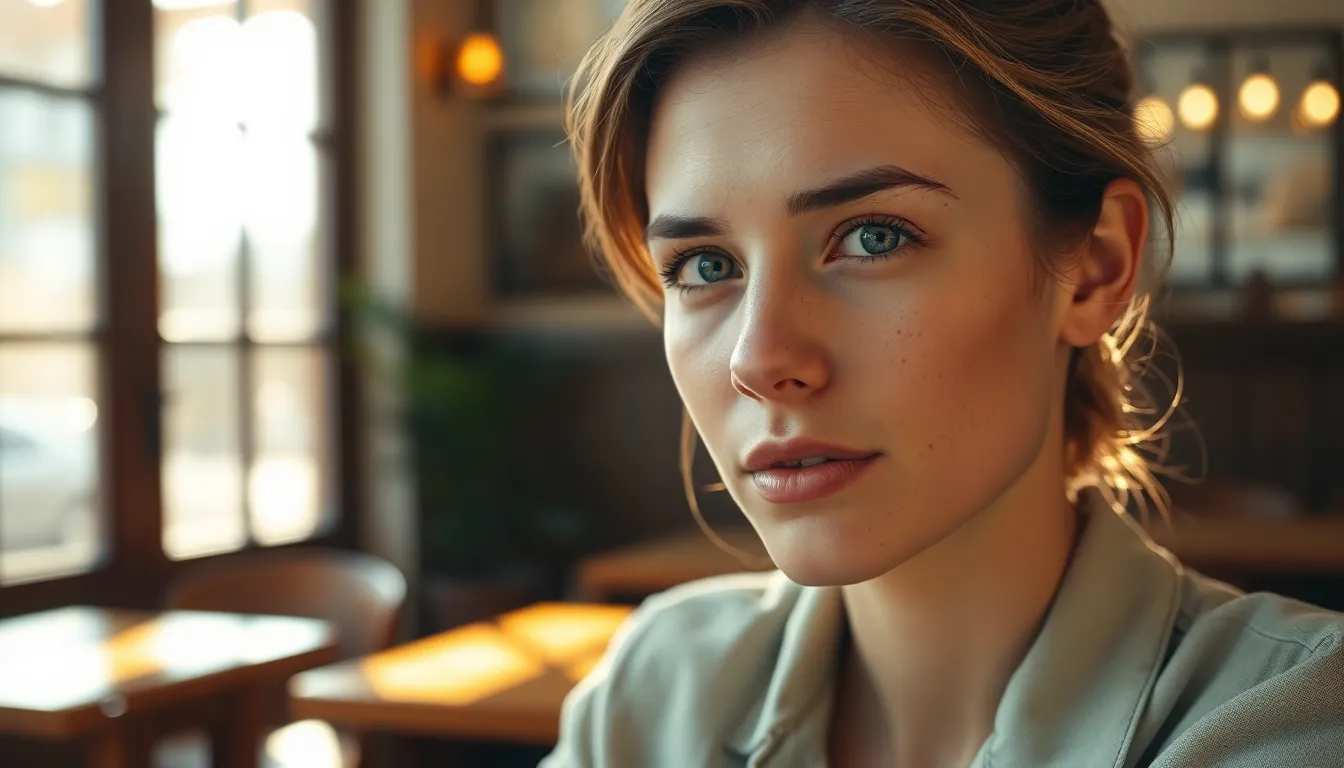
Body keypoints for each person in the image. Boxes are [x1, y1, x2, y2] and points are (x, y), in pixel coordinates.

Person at [542, 1, 1344, 765]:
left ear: (1096, 267)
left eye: (874, 237)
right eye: (705, 266)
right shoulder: (654, 699)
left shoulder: (1289, 722)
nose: (758, 359)